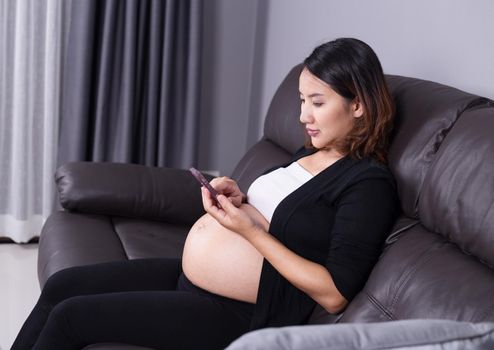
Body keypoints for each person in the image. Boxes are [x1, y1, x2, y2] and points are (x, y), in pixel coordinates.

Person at [12, 37, 399, 350]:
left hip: (237, 314)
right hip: (190, 278)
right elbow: (286, 217)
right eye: (301, 101)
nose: (302, 116)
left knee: (72, 317)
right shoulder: (311, 152)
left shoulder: (367, 184)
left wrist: (250, 233)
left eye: (317, 103)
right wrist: (239, 196)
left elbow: (334, 294)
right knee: (63, 286)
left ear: (359, 105)